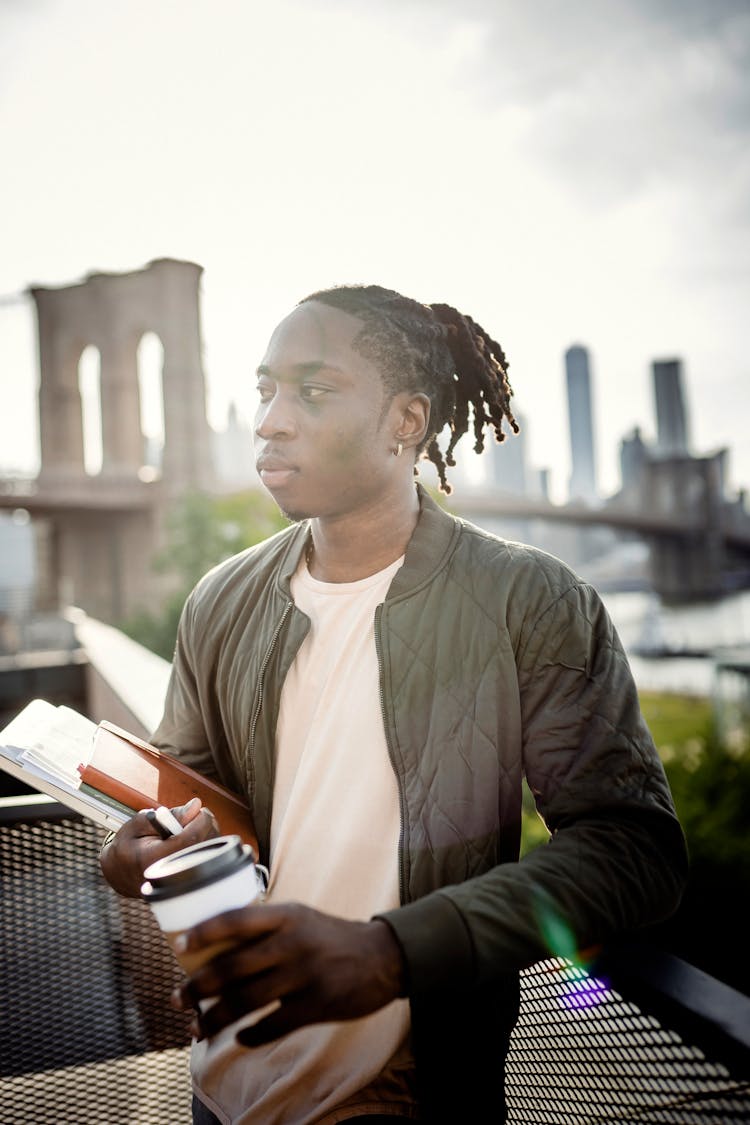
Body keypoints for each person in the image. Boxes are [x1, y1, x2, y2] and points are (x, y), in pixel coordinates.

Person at [100, 285, 688, 1125]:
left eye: (313, 389)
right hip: (221, 1082)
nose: (270, 418)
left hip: (407, 1093)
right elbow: (190, 794)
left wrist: (389, 953)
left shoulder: (531, 599)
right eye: (265, 388)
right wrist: (140, 849)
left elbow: (635, 851)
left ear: (405, 421)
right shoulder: (219, 601)